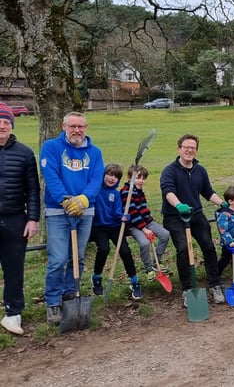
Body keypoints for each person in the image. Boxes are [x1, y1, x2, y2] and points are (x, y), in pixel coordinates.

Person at [40, 111, 105, 325]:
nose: (77, 130)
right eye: (72, 126)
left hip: (85, 211)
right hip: (58, 211)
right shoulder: (51, 147)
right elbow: (51, 176)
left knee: (77, 258)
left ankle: (70, 293)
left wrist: (85, 200)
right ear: (63, 126)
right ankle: (53, 301)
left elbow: (97, 178)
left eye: (81, 126)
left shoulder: (94, 152)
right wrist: (65, 200)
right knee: (58, 259)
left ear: (86, 128)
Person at [160, 134, 226, 306]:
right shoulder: (169, 171)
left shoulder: (200, 170)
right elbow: (168, 192)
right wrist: (179, 205)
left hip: (195, 215)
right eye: (186, 147)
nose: (189, 150)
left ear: (196, 150)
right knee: (183, 249)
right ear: (179, 149)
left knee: (209, 246)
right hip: (174, 217)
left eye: (193, 148)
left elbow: (207, 192)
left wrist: (222, 203)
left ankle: (215, 284)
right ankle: (187, 289)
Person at [0, 103, 41, 335]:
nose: (2, 126)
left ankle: (13, 313)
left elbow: (32, 190)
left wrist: (32, 219)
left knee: (14, 269)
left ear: (12, 125)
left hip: (16, 219)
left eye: (6, 122)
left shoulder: (24, 153)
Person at [90, 164, 143, 300]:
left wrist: (124, 217)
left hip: (115, 226)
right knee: (104, 249)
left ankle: (134, 281)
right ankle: (96, 277)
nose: (112, 178)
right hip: (99, 227)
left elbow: (117, 213)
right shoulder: (95, 190)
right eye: (110, 174)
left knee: (125, 251)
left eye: (116, 176)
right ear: (104, 175)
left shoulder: (115, 194)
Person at [121, 165, 172, 280]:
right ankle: (148, 269)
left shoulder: (139, 191)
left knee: (165, 234)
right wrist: (145, 229)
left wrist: (150, 223)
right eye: (138, 178)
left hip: (145, 222)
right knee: (145, 243)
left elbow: (143, 210)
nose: (141, 181)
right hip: (133, 225)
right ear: (129, 178)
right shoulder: (126, 192)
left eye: (143, 178)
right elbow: (132, 213)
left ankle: (157, 262)